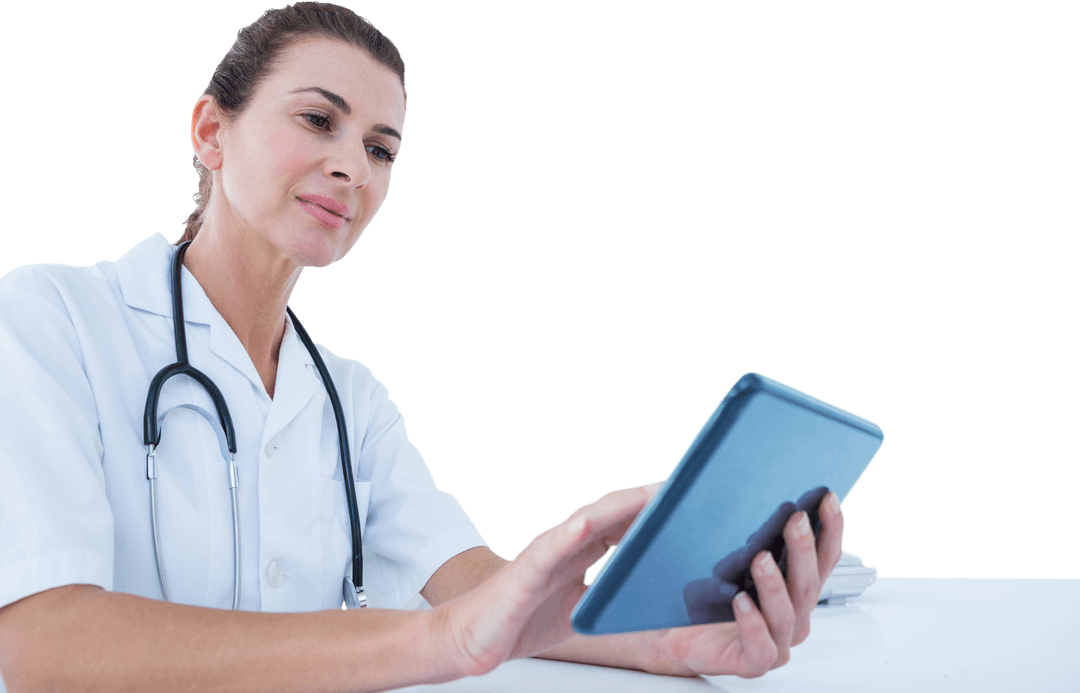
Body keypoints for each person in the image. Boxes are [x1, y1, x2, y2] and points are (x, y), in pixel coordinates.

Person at [0, 3, 845, 690]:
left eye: (379, 149)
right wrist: (440, 641)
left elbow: (475, 585)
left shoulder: (350, 398)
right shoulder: (52, 320)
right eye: (317, 120)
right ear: (210, 133)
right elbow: (39, 637)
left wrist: (674, 644)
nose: (353, 169)